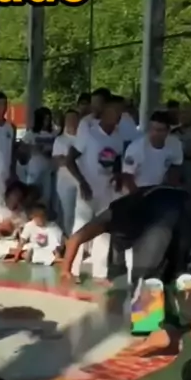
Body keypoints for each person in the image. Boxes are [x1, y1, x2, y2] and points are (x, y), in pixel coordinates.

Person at [62, 184, 191, 352]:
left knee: (144, 273)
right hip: (187, 206)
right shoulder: (130, 209)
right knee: (178, 268)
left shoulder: (110, 216)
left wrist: (65, 269)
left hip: (162, 211)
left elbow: (75, 238)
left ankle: (154, 332)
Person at [66, 100, 123, 283]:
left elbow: (117, 159)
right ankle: (72, 270)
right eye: (113, 113)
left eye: (119, 114)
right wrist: (82, 182)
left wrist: (117, 176)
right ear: (104, 114)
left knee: (104, 230)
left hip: (107, 191)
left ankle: (100, 273)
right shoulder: (89, 133)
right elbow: (69, 160)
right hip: (87, 190)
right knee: (81, 227)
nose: (116, 118)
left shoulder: (118, 136)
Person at [122, 110, 184, 191]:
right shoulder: (135, 148)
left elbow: (175, 167)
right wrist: (138, 195)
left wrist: (171, 188)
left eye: (159, 130)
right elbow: (127, 177)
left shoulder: (175, 144)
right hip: (137, 188)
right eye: (152, 128)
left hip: (161, 188)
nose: (154, 133)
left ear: (168, 131)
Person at [52, 109, 79, 235]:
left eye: (74, 118)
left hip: (82, 182)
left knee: (81, 215)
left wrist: (67, 159)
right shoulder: (60, 140)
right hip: (65, 183)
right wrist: (72, 159)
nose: (71, 121)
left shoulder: (84, 138)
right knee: (68, 214)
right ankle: (69, 238)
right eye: (69, 119)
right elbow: (56, 161)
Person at [21, 107, 55, 205]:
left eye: (49, 119)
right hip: (34, 169)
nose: (47, 121)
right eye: (45, 119)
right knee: (32, 194)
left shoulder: (53, 133)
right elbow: (21, 148)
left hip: (48, 169)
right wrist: (33, 148)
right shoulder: (31, 134)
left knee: (46, 196)